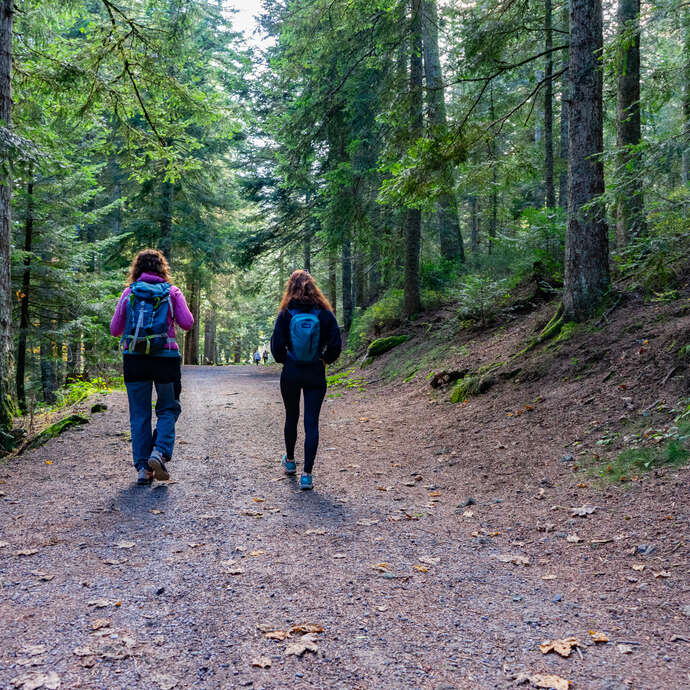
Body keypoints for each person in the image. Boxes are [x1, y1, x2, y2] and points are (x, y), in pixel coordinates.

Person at [110, 249, 194, 485]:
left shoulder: (130, 293)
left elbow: (115, 329)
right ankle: (159, 452)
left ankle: (143, 469)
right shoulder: (172, 292)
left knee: (139, 414)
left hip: (135, 359)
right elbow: (187, 323)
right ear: (162, 268)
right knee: (168, 408)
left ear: (137, 269)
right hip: (165, 358)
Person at [270, 270, 341, 490]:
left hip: (292, 371)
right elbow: (336, 345)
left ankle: (290, 461)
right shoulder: (324, 313)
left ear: (290, 287)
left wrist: (287, 360)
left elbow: (276, 347)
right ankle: (307, 475)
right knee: (312, 423)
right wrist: (324, 360)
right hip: (315, 372)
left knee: (291, 416)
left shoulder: (286, 313)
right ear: (313, 287)